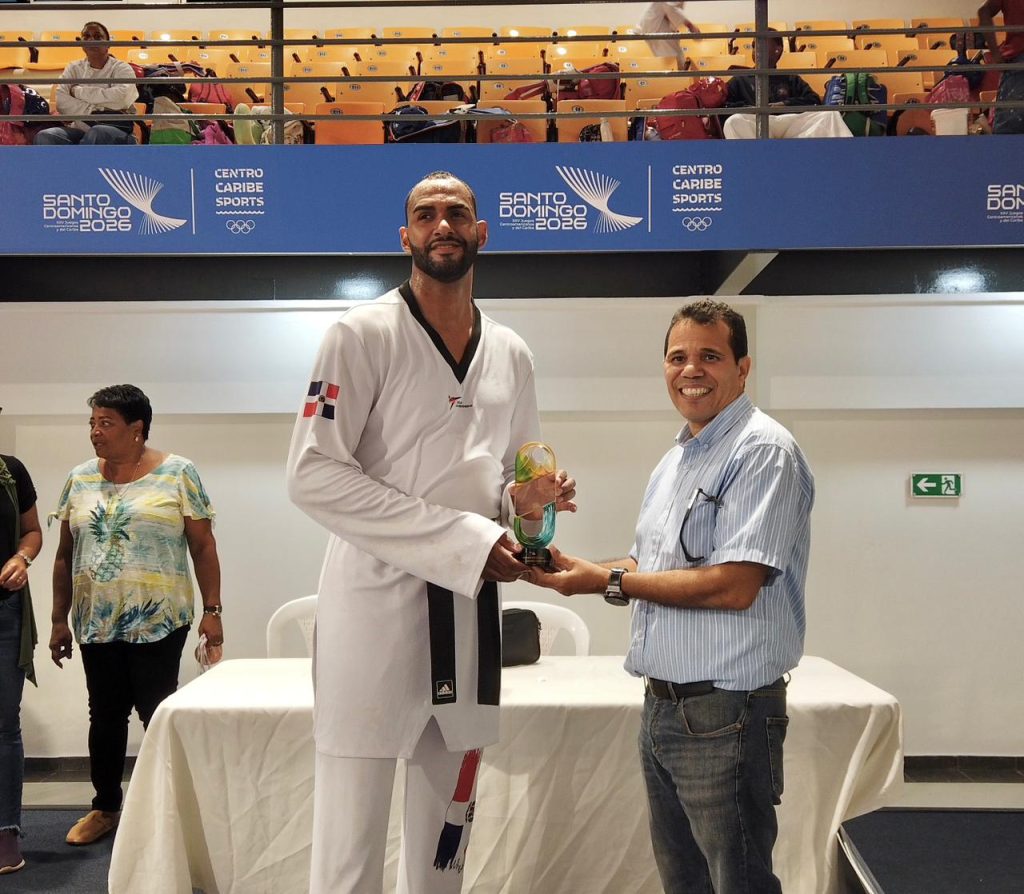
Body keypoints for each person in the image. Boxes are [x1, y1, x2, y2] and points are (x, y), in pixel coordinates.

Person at [287, 170, 576, 894]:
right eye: (426, 214)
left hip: (469, 612)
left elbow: (514, 482)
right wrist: (466, 541)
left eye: (457, 213)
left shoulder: (511, 351)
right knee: (350, 846)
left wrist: (528, 506)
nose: (442, 224)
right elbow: (312, 474)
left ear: (482, 233)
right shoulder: (360, 334)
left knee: (447, 840)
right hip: (372, 607)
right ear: (405, 236)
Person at [528, 299, 814, 894]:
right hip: (664, 707)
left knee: (737, 881)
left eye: (710, 356)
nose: (691, 370)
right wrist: (572, 568)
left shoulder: (762, 451)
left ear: (743, 368)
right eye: (677, 357)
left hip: (727, 711)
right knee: (685, 881)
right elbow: (648, 566)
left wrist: (606, 581)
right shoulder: (677, 459)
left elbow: (735, 585)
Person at [51, 384, 222, 846]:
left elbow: (203, 546)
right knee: (105, 715)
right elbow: (65, 555)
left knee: (158, 712)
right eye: (92, 423)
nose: (95, 432)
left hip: (158, 619)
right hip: (96, 621)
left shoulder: (178, 473)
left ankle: (173, 808)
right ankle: (105, 807)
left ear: (137, 429)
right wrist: (57, 619)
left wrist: (213, 610)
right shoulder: (80, 479)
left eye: (105, 423)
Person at [0, 448, 42, 876]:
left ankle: (5, 833)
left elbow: (31, 531)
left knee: (3, 725)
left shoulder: (10, 471)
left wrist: (21, 558)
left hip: (4, 613)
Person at [723, 29, 853, 139]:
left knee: (830, 115)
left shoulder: (791, 78)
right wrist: (752, 109)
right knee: (733, 122)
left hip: (789, 122)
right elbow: (725, 106)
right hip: (756, 123)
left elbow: (813, 100)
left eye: (761, 45)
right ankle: (761, 158)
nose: (755, 50)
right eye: (754, 46)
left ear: (778, 50)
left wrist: (784, 104)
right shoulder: (740, 79)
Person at [33, 21, 138, 146]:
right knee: (46, 136)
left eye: (98, 36)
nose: (91, 40)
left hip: (117, 131)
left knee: (97, 132)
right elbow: (62, 103)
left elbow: (122, 99)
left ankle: (83, 159)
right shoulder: (73, 68)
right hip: (79, 129)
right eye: (87, 36)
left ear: (108, 44)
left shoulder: (122, 68)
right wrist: (96, 111)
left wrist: (77, 92)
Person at [979, 0, 1024, 133]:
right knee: (1009, 129)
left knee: (1008, 130)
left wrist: (995, 53)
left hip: (1017, 63)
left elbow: (984, 11)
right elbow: (984, 12)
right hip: (1018, 63)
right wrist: (995, 53)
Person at [639, 2, 701, 69]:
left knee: (678, 59)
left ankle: (684, 71)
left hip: (658, 27)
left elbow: (670, 10)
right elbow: (668, 6)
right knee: (672, 61)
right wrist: (690, 25)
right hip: (657, 29)